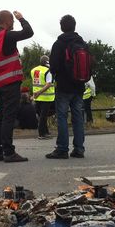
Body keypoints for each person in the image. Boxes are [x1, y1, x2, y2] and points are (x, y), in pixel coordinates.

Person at [0, 10, 33, 162]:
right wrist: (22, 19)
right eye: (12, 20)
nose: (13, 23)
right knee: (8, 117)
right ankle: (9, 152)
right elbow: (29, 32)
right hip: (10, 83)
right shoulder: (6, 35)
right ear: (7, 21)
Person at [46, 14, 86, 159]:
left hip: (64, 86)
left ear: (62, 27)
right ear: (74, 26)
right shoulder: (82, 43)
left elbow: (54, 66)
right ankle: (79, 148)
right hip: (79, 86)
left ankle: (62, 149)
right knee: (78, 117)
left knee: (62, 117)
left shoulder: (59, 44)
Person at [30, 55, 55, 139]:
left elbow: (36, 83)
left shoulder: (34, 70)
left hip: (37, 97)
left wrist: (35, 94)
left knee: (41, 115)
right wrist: (40, 92)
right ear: (47, 62)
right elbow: (48, 84)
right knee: (43, 116)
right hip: (46, 97)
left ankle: (46, 132)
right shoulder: (48, 71)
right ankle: (42, 134)